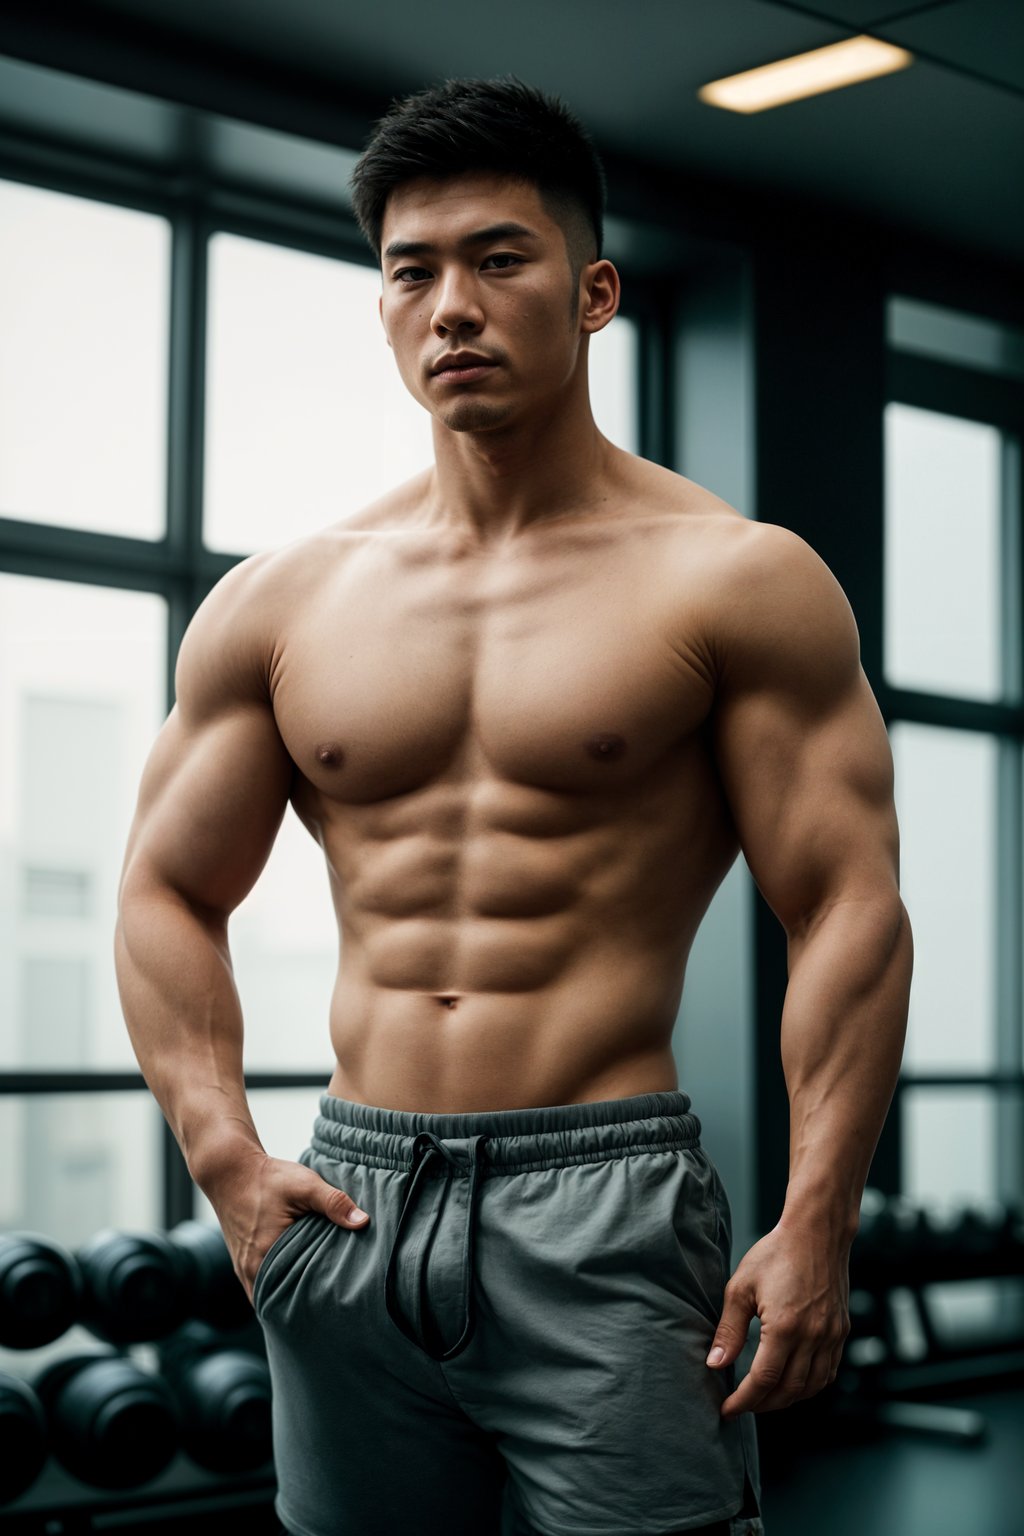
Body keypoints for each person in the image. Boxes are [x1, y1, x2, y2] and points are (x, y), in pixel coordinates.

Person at [114, 74, 912, 1536]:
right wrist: (223, 1155)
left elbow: (847, 907)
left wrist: (818, 1223)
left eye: (500, 258)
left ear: (594, 290)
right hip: (347, 1200)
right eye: (411, 271)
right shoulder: (281, 603)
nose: (451, 306)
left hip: (601, 1205)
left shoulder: (734, 580)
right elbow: (167, 889)